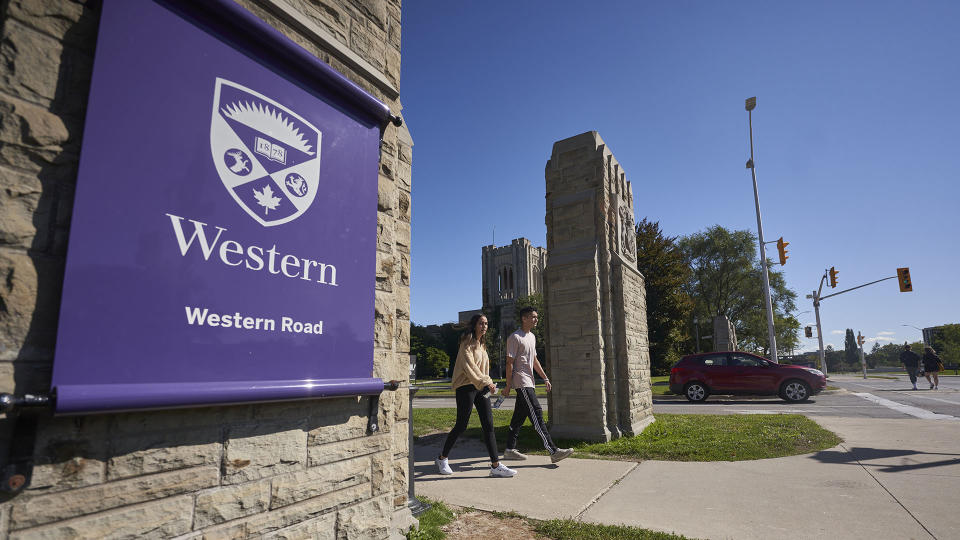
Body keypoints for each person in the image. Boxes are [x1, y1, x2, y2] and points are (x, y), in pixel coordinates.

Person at [435, 314, 517, 478]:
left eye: (486, 323)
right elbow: (469, 367)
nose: (484, 326)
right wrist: (486, 381)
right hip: (466, 387)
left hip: (482, 388)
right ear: (474, 325)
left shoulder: (482, 345)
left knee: (488, 425)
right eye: (481, 323)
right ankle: (442, 458)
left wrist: (489, 383)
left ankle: (495, 465)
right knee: (462, 424)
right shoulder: (467, 342)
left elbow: (483, 370)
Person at [501, 307, 573, 464]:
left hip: (530, 382)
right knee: (536, 412)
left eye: (536, 317)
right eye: (533, 317)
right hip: (521, 381)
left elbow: (534, 361)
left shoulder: (532, 337)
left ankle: (509, 450)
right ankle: (553, 451)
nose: (536, 319)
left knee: (518, 418)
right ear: (524, 318)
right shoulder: (514, 338)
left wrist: (545, 377)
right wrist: (508, 386)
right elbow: (509, 364)